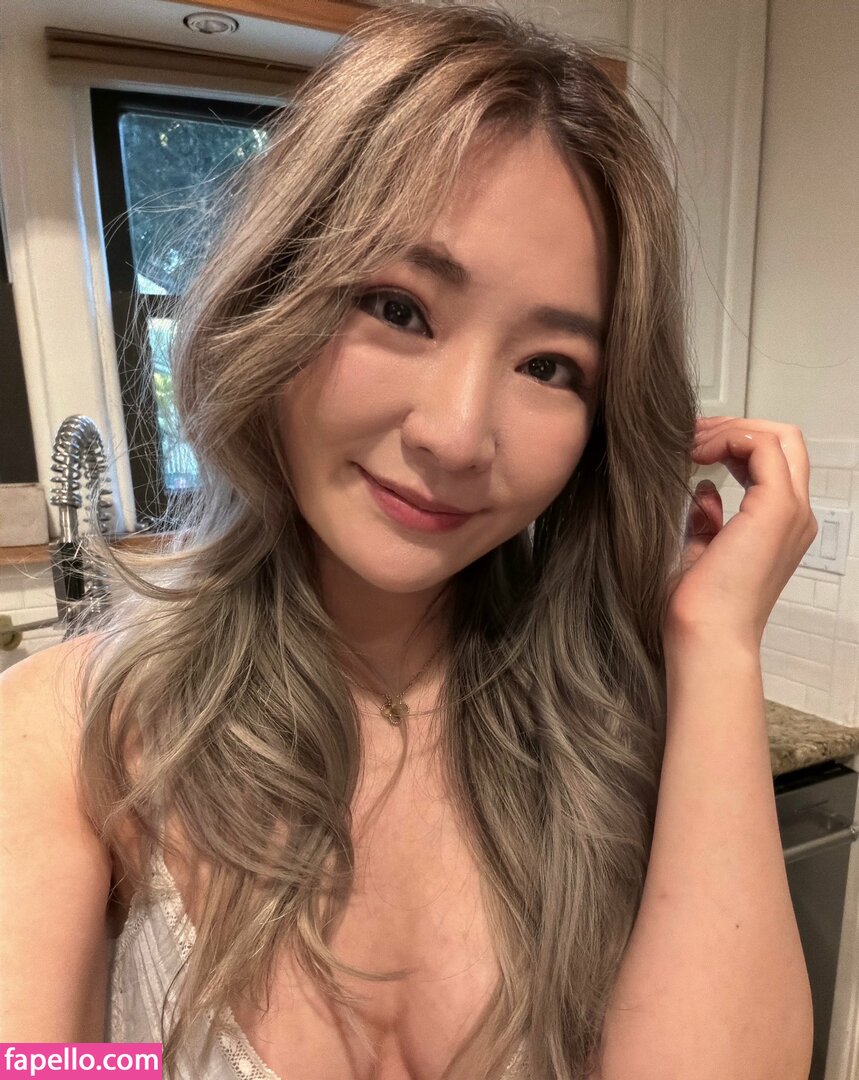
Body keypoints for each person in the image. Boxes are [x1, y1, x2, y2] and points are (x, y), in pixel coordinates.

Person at [0, 3, 817, 1079]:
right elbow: (32, 1061)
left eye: (549, 367)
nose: (456, 435)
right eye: (397, 307)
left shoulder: (626, 734)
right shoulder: (67, 733)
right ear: (276, 292)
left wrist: (716, 642)